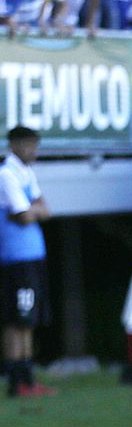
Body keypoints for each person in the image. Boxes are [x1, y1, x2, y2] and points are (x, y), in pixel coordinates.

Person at [0, 126, 56, 399]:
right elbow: (23, 215)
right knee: (17, 319)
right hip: (16, 258)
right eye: (30, 145)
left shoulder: (25, 172)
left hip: (32, 257)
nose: (34, 151)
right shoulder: (6, 174)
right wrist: (33, 211)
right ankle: (17, 380)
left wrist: (33, 210)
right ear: (15, 145)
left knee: (29, 318)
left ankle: (28, 379)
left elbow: (45, 209)